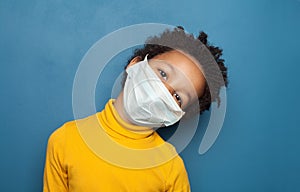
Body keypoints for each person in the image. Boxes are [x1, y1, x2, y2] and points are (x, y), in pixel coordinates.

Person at [43, 26, 228, 192]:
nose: (164, 90)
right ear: (135, 64)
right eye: (163, 74)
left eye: (178, 97)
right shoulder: (65, 139)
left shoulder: (170, 167)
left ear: (178, 115)